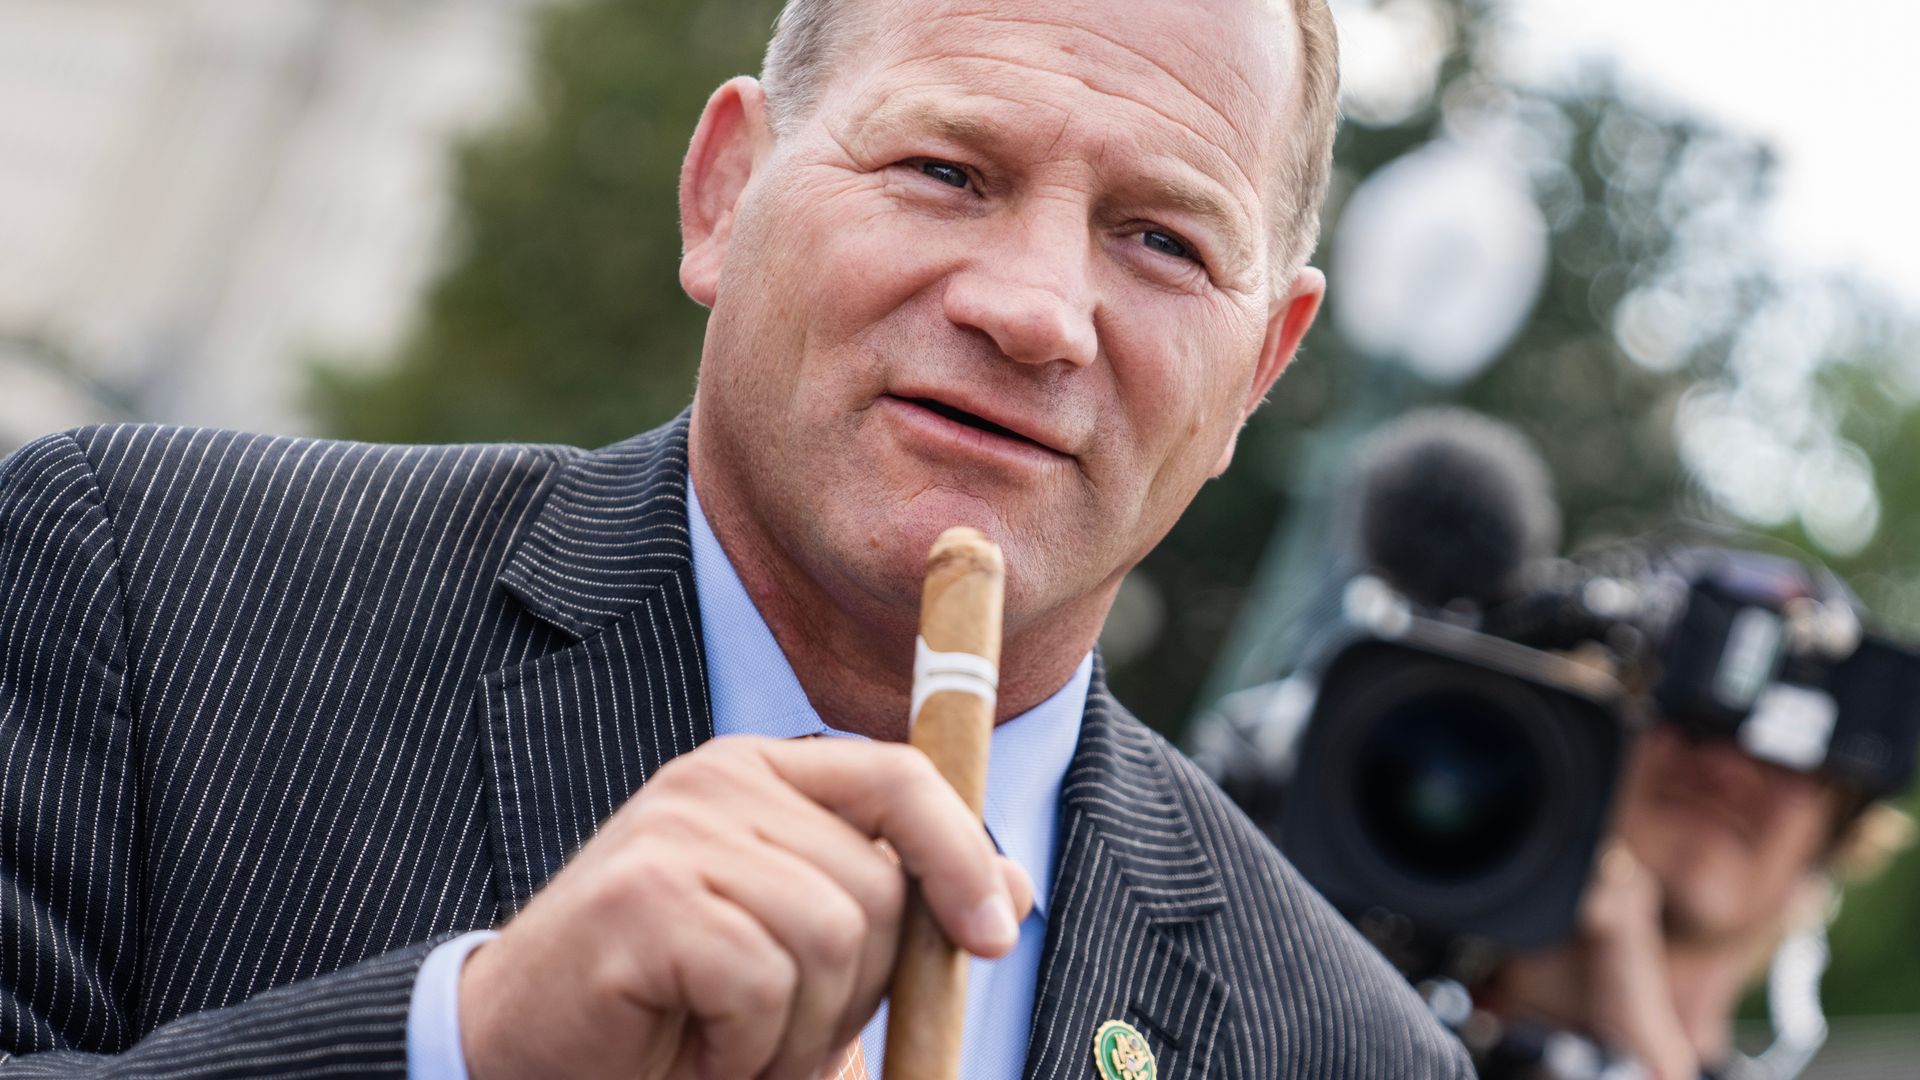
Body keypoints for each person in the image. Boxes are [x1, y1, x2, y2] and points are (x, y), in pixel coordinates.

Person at [0, 0, 1473, 1076]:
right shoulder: (145, 586)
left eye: (1164, 239)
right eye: (947, 171)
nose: (1033, 309)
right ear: (724, 194)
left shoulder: (1346, 1052)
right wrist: (472, 1045)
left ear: (1262, 372)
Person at [1480, 721, 1915, 1079]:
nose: (1727, 770)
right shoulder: (1413, 997)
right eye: (1694, 719)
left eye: (1789, 755)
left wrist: (1643, 1052)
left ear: (1825, 856)